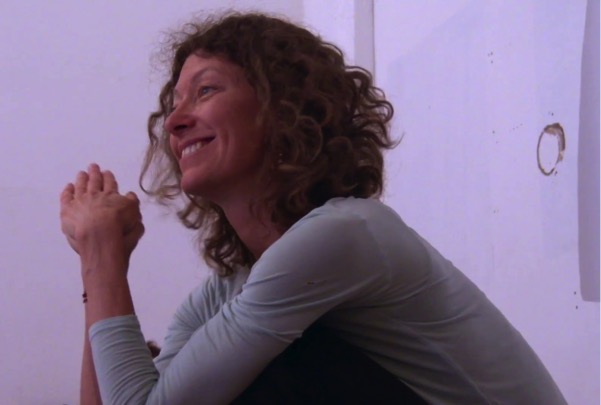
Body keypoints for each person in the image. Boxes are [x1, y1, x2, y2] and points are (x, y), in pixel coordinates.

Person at [59, 12, 567, 404]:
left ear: (281, 108)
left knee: (267, 369)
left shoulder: (342, 235)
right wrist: (96, 262)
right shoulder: (225, 294)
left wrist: (104, 259)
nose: (175, 122)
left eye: (205, 90)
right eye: (174, 105)